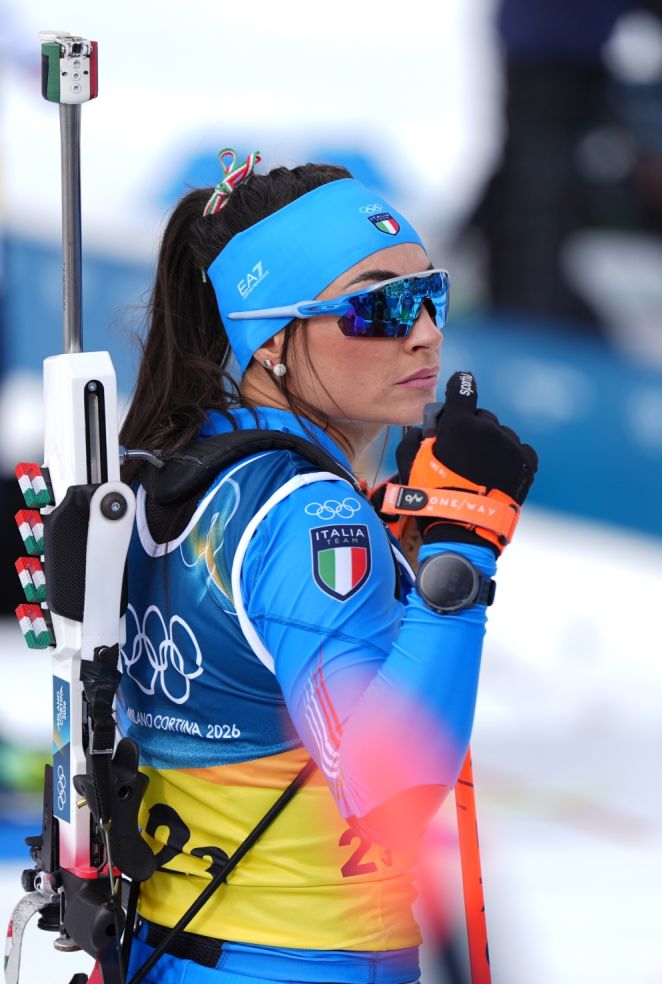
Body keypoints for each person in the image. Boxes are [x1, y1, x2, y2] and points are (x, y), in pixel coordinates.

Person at [116, 149, 537, 984]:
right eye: (379, 308)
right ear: (272, 339)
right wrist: (459, 555)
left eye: (430, 294)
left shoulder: (177, 462)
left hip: (170, 950)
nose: (425, 331)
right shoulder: (312, 515)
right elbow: (390, 791)